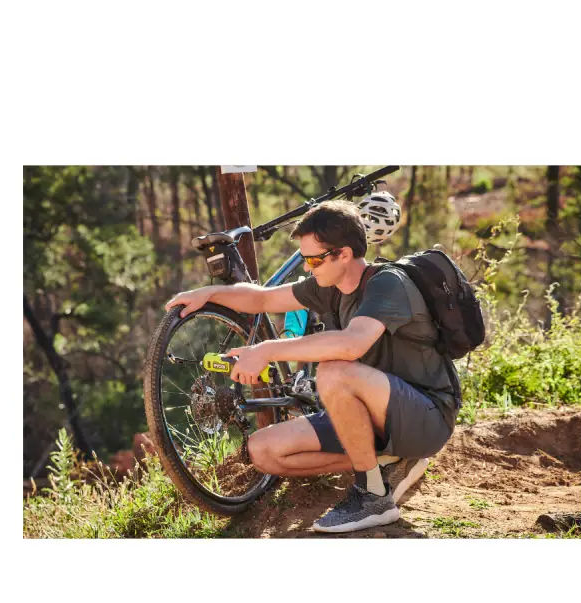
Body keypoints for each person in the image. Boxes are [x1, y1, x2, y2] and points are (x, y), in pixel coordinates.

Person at [164, 200, 459, 533]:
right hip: (371, 416)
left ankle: (373, 496)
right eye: (305, 258)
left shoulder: (388, 283)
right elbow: (262, 299)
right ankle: (386, 462)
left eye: (315, 259)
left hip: (425, 416)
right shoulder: (328, 288)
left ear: (344, 254)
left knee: (333, 371)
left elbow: (352, 344)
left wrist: (266, 350)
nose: (307, 267)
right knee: (263, 451)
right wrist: (208, 293)